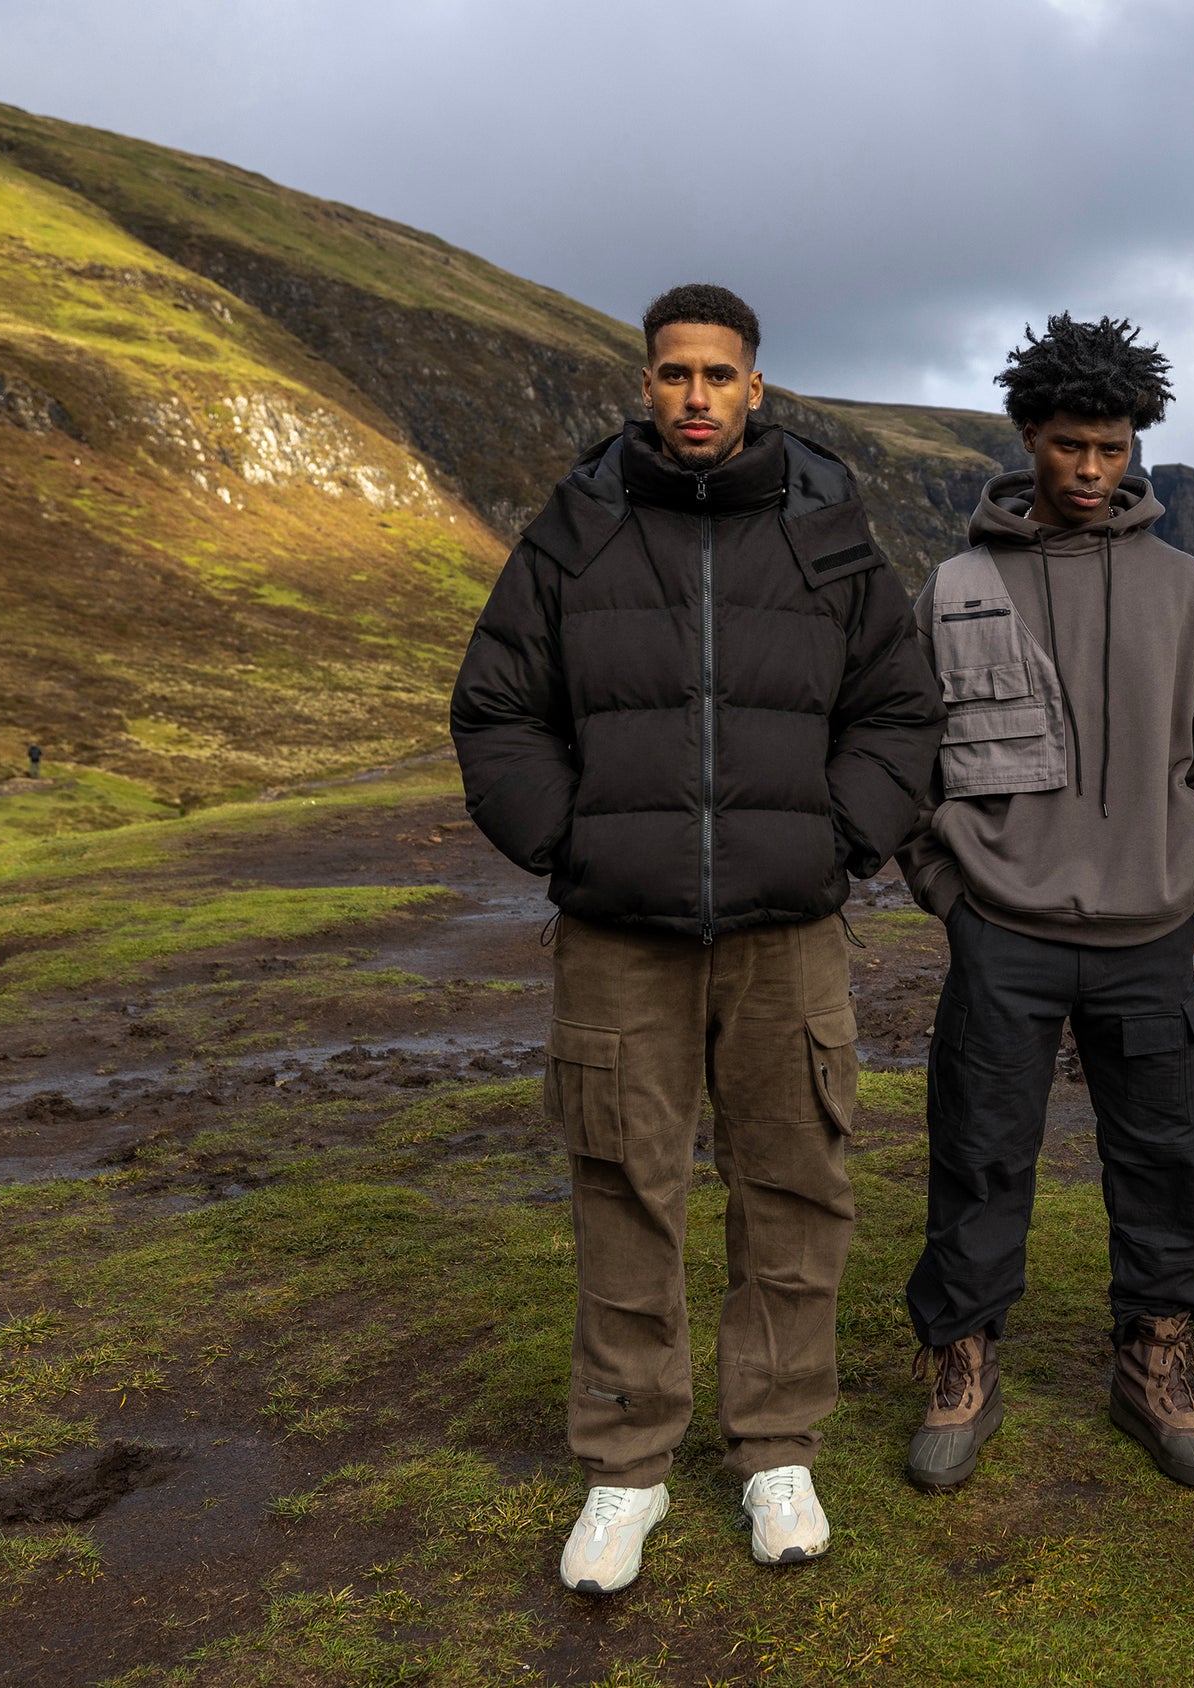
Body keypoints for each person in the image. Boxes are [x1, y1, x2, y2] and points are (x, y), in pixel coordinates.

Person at [450, 284, 944, 1593]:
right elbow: (497, 710)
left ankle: (776, 1449)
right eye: (675, 374)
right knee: (624, 1187)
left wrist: (836, 840)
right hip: (619, 933)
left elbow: (902, 711)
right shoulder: (577, 534)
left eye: (720, 375)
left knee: (796, 1188)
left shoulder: (830, 536)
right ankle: (626, 1471)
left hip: (790, 934)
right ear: (647, 382)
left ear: (757, 387)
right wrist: (575, 841)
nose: (696, 396)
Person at [895, 315, 1194, 1492]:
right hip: (1000, 929)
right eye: (1069, 446)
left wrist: (1193, 877)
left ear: (1137, 443)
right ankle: (962, 1360)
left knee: (1166, 1157)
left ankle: (1154, 1362)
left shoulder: (1191, 589)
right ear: (1027, 438)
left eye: (1114, 446)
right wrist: (949, 891)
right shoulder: (952, 586)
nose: (1093, 470)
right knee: (982, 1151)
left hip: (1153, 931)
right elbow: (909, 759)